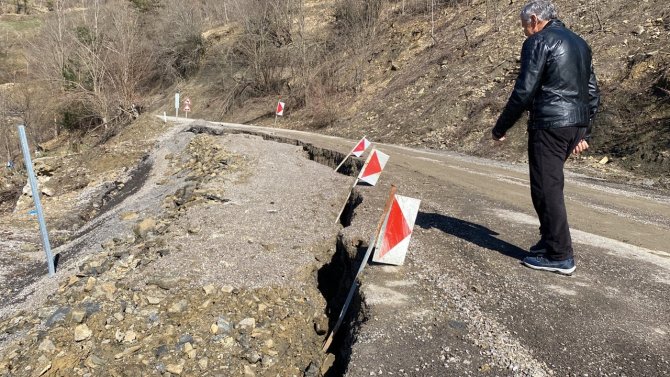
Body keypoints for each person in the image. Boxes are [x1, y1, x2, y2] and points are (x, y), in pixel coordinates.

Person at [491, 0, 600, 275]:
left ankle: (560, 255)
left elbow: (525, 89)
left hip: (550, 124)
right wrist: (583, 131)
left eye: (524, 26)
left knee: (546, 188)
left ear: (535, 19)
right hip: (574, 124)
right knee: (549, 185)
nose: (525, 32)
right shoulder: (579, 43)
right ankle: (549, 240)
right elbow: (593, 92)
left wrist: (501, 127)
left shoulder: (539, 41)